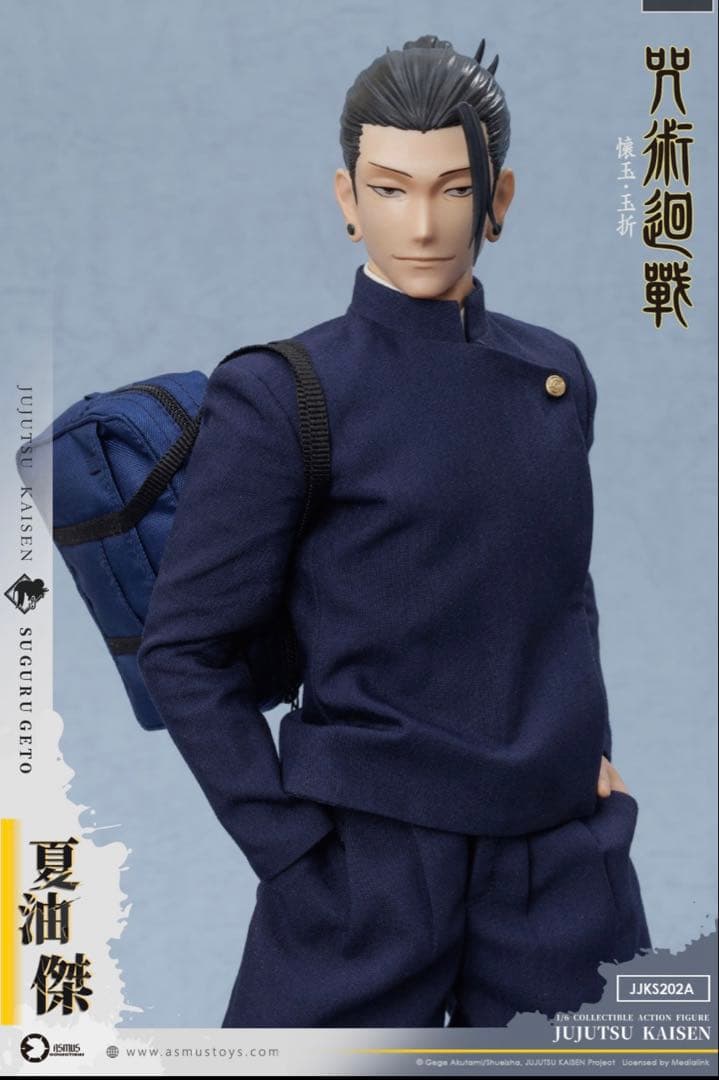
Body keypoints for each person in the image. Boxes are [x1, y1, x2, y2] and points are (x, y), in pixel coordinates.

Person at [138, 33, 652, 1028]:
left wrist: (587, 762)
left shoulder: (554, 375)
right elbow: (184, 648)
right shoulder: (283, 393)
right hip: (366, 862)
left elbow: (555, 596)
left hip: (551, 860)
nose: (420, 222)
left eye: (453, 189)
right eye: (388, 188)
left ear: (498, 200)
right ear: (347, 198)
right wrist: (288, 847)